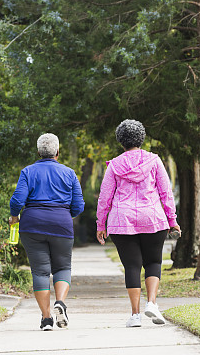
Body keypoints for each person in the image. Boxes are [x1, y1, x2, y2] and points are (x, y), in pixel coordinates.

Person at [96, 119, 180, 327]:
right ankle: (151, 303)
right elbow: (165, 193)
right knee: (153, 262)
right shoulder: (154, 161)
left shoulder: (114, 165)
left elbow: (105, 197)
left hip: (121, 220)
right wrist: (172, 220)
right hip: (152, 218)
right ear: (141, 138)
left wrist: (101, 225)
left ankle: (135, 316)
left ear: (120, 141)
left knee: (131, 266)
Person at [9, 133, 84, 331]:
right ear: (58, 152)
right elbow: (78, 205)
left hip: (32, 225)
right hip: (61, 225)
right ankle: (60, 302)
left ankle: (46, 318)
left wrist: (14, 216)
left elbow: (17, 200)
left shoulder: (28, 171)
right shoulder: (69, 173)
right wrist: (66, 215)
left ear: (39, 152)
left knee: (40, 271)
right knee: (62, 267)